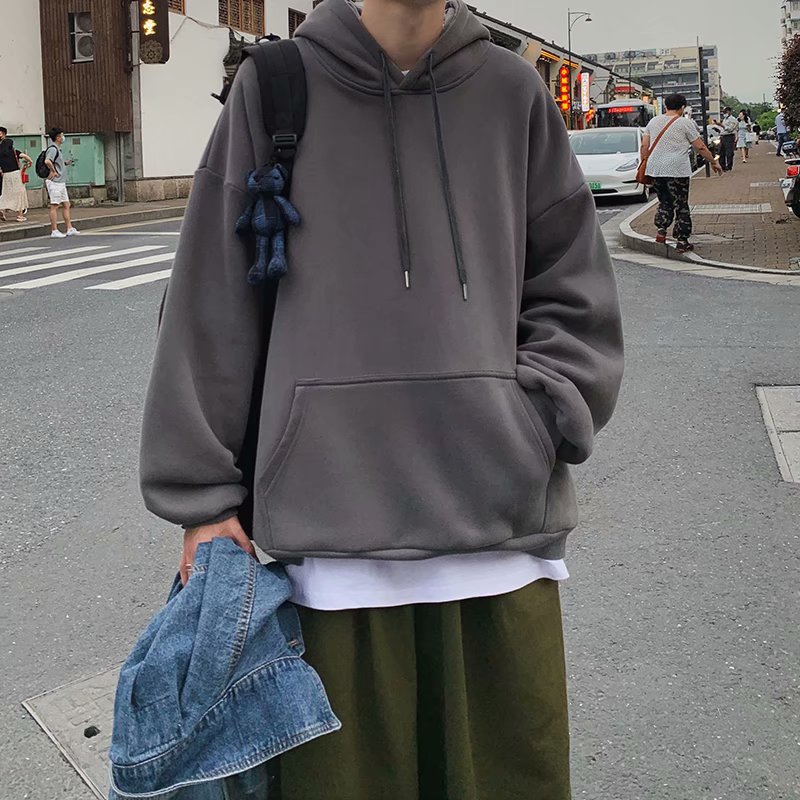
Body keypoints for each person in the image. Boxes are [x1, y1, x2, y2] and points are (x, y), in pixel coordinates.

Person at [139, 0, 625, 796]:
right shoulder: (277, 87)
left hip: (500, 553)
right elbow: (210, 300)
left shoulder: (514, 94)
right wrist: (201, 499)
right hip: (329, 570)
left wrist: (538, 419)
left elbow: (575, 294)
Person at [641, 93, 723, 253]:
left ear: (665, 106)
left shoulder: (653, 121)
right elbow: (700, 147)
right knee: (681, 205)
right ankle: (682, 240)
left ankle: (661, 231)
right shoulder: (685, 123)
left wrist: (645, 161)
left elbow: (644, 146)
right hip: (677, 170)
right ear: (682, 107)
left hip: (655, 169)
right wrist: (713, 161)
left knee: (664, 201)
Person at [43, 128, 79, 238]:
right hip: (55, 182)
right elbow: (47, 161)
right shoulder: (53, 149)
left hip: (61, 182)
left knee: (66, 204)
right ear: (58, 137)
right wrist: (53, 171)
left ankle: (69, 228)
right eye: (62, 135)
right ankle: (54, 230)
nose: (63, 138)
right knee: (55, 205)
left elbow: (56, 162)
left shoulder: (57, 149)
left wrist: (65, 163)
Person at [0, 127, 33, 223]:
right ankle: (20, 215)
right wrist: (30, 162)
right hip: (15, 174)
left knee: (6, 193)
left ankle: (1, 209)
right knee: (20, 193)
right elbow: (25, 156)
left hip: (6, 175)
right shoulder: (14, 151)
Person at [719, 106, 738, 172]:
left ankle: (729, 166)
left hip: (729, 136)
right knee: (721, 152)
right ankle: (722, 166)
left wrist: (722, 126)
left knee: (729, 152)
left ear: (729, 111)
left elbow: (730, 129)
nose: (724, 114)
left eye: (725, 112)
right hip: (723, 136)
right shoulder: (725, 119)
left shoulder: (733, 119)